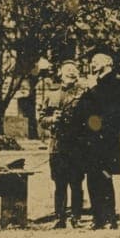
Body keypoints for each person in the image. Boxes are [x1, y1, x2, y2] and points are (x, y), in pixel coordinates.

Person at [75, 46, 120, 230]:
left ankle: (109, 218)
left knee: (105, 178)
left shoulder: (116, 82)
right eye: (92, 61)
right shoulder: (94, 83)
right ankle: (97, 218)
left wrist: (93, 89)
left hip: (105, 140)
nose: (93, 63)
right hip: (91, 140)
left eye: (97, 60)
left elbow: (111, 109)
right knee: (92, 177)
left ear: (108, 62)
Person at [38, 60, 87, 229]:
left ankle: (77, 218)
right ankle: (59, 218)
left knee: (76, 183)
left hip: (77, 146)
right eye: (67, 70)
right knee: (59, 183)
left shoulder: (84, 95)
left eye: (74, 70)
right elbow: (41, 119)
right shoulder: (51, 95)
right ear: (60, 73)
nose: (71, 73)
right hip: (57, 146)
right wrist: (52, 119)